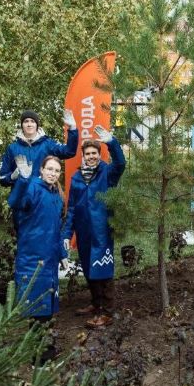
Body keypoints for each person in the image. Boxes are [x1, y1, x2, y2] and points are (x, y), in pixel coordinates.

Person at [62, 126, 126, 330]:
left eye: (94, 153)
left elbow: (121, 164)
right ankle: (95, 303)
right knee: (89, 269)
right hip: (84, 233)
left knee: (103, 270)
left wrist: (112, 143)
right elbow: (71, 208)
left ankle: (107, 312)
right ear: (83, 156)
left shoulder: (107, 173)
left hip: (102, 231)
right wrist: (66, 234)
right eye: (87, 154)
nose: (91, 157)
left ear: (99, 155)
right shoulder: (76, 178)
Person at [8, 155, 69, 361]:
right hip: (33, 258)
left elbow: (56, 230)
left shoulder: (56, 196)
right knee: (37, 308)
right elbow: (16, 202)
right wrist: (23, 180)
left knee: (47, 308)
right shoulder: (33, 188)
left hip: (49, 259)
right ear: (41, 170)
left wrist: (63, 254)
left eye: (56, 171)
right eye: (49, 169)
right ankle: (39, 356)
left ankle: (45, 349)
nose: (52, 173)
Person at [0, 109, 79, 228]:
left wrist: (72, 129)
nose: (29, 124)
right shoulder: (13, 148)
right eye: (26, 121)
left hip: (44, 200)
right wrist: (13, 176)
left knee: (46, 237)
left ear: (37, 125)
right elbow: (1, 177)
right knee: (24, 240)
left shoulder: (47, 144)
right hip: (22, 203)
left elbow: (69, 151)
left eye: (32, 121)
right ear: (22, 125)